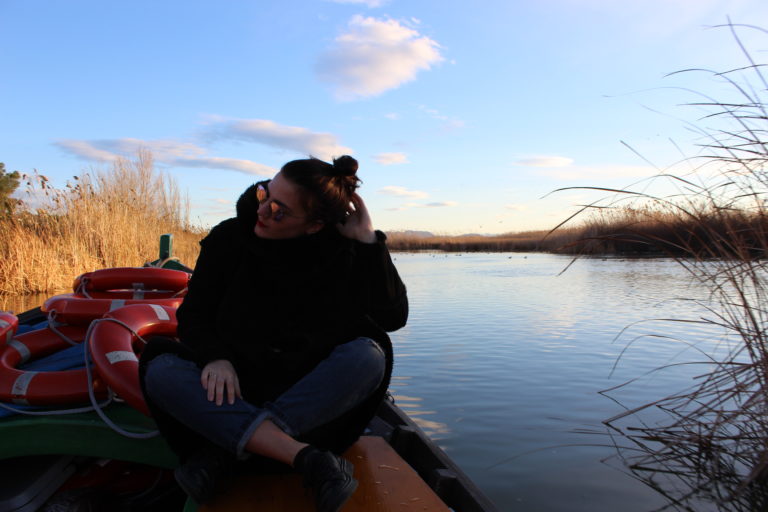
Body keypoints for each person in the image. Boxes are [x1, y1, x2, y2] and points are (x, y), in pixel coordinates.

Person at [138, 155, 408, 512]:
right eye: (266, 194)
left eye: (280, 210)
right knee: (160, 367)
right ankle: (305, 458)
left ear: (314, 225)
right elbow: (194, 314)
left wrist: (368, 241)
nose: (263, 210)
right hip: (232, 389)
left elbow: (393, 317)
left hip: (308, 398)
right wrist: (216, 357)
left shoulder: (343, 252)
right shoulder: (230, 238)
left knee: (370, 354)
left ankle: (227, 453)